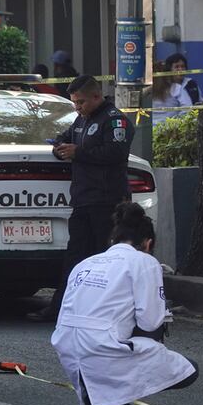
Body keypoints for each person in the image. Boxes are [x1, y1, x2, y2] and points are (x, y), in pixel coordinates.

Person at [51, 202, 198, 405]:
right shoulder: (145, 262)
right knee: (189, 370)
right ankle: (114, 394)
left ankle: (104, 396)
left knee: (112, 335)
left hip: (66, 345)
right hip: (101, 346)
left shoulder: (86, 263)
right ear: (148, 243)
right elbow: (150, 321)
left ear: (112, 240)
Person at [27, 75, 134, 323]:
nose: (77, 107)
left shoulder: (114, 120)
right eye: (74, 102)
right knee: (75, 258)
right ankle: (61, 309)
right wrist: (59, 148)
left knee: (104, 259)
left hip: (107, 201)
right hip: (83, 199)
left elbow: (116, 152)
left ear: (96, 97)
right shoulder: (81, 120)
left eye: (81, 102)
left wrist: (79, 152)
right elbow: (64, 138)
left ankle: (107, 312)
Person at [147, 60, 192, 126]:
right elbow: (187, 108)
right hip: (170, 129)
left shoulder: (148, 91)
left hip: (152, 128)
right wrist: (178, 123)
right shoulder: (176, 88)